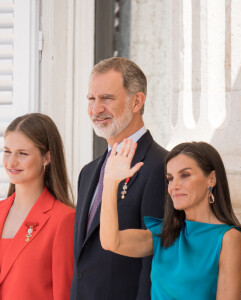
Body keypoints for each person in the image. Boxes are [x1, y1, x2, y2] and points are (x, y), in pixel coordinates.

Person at [71, 57, 167, 300]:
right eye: (91, 99)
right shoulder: (88, 172)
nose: (96, 109)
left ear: (137, 101)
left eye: (107, 98)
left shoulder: (162, 166)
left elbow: (155, 259)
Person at [100, 139, 241, 300]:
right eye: (170, 178)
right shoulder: (163, 234)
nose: (174, 186)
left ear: (211, 178)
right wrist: (110, 183)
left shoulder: (228, 239)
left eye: (185, 175)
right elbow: (111, 242)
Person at [0, 113, 75, 299]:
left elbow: (63, 294)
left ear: (46, 158)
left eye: (22, 154)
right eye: (7, 151)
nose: (11, 162)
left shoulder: (63, 220)